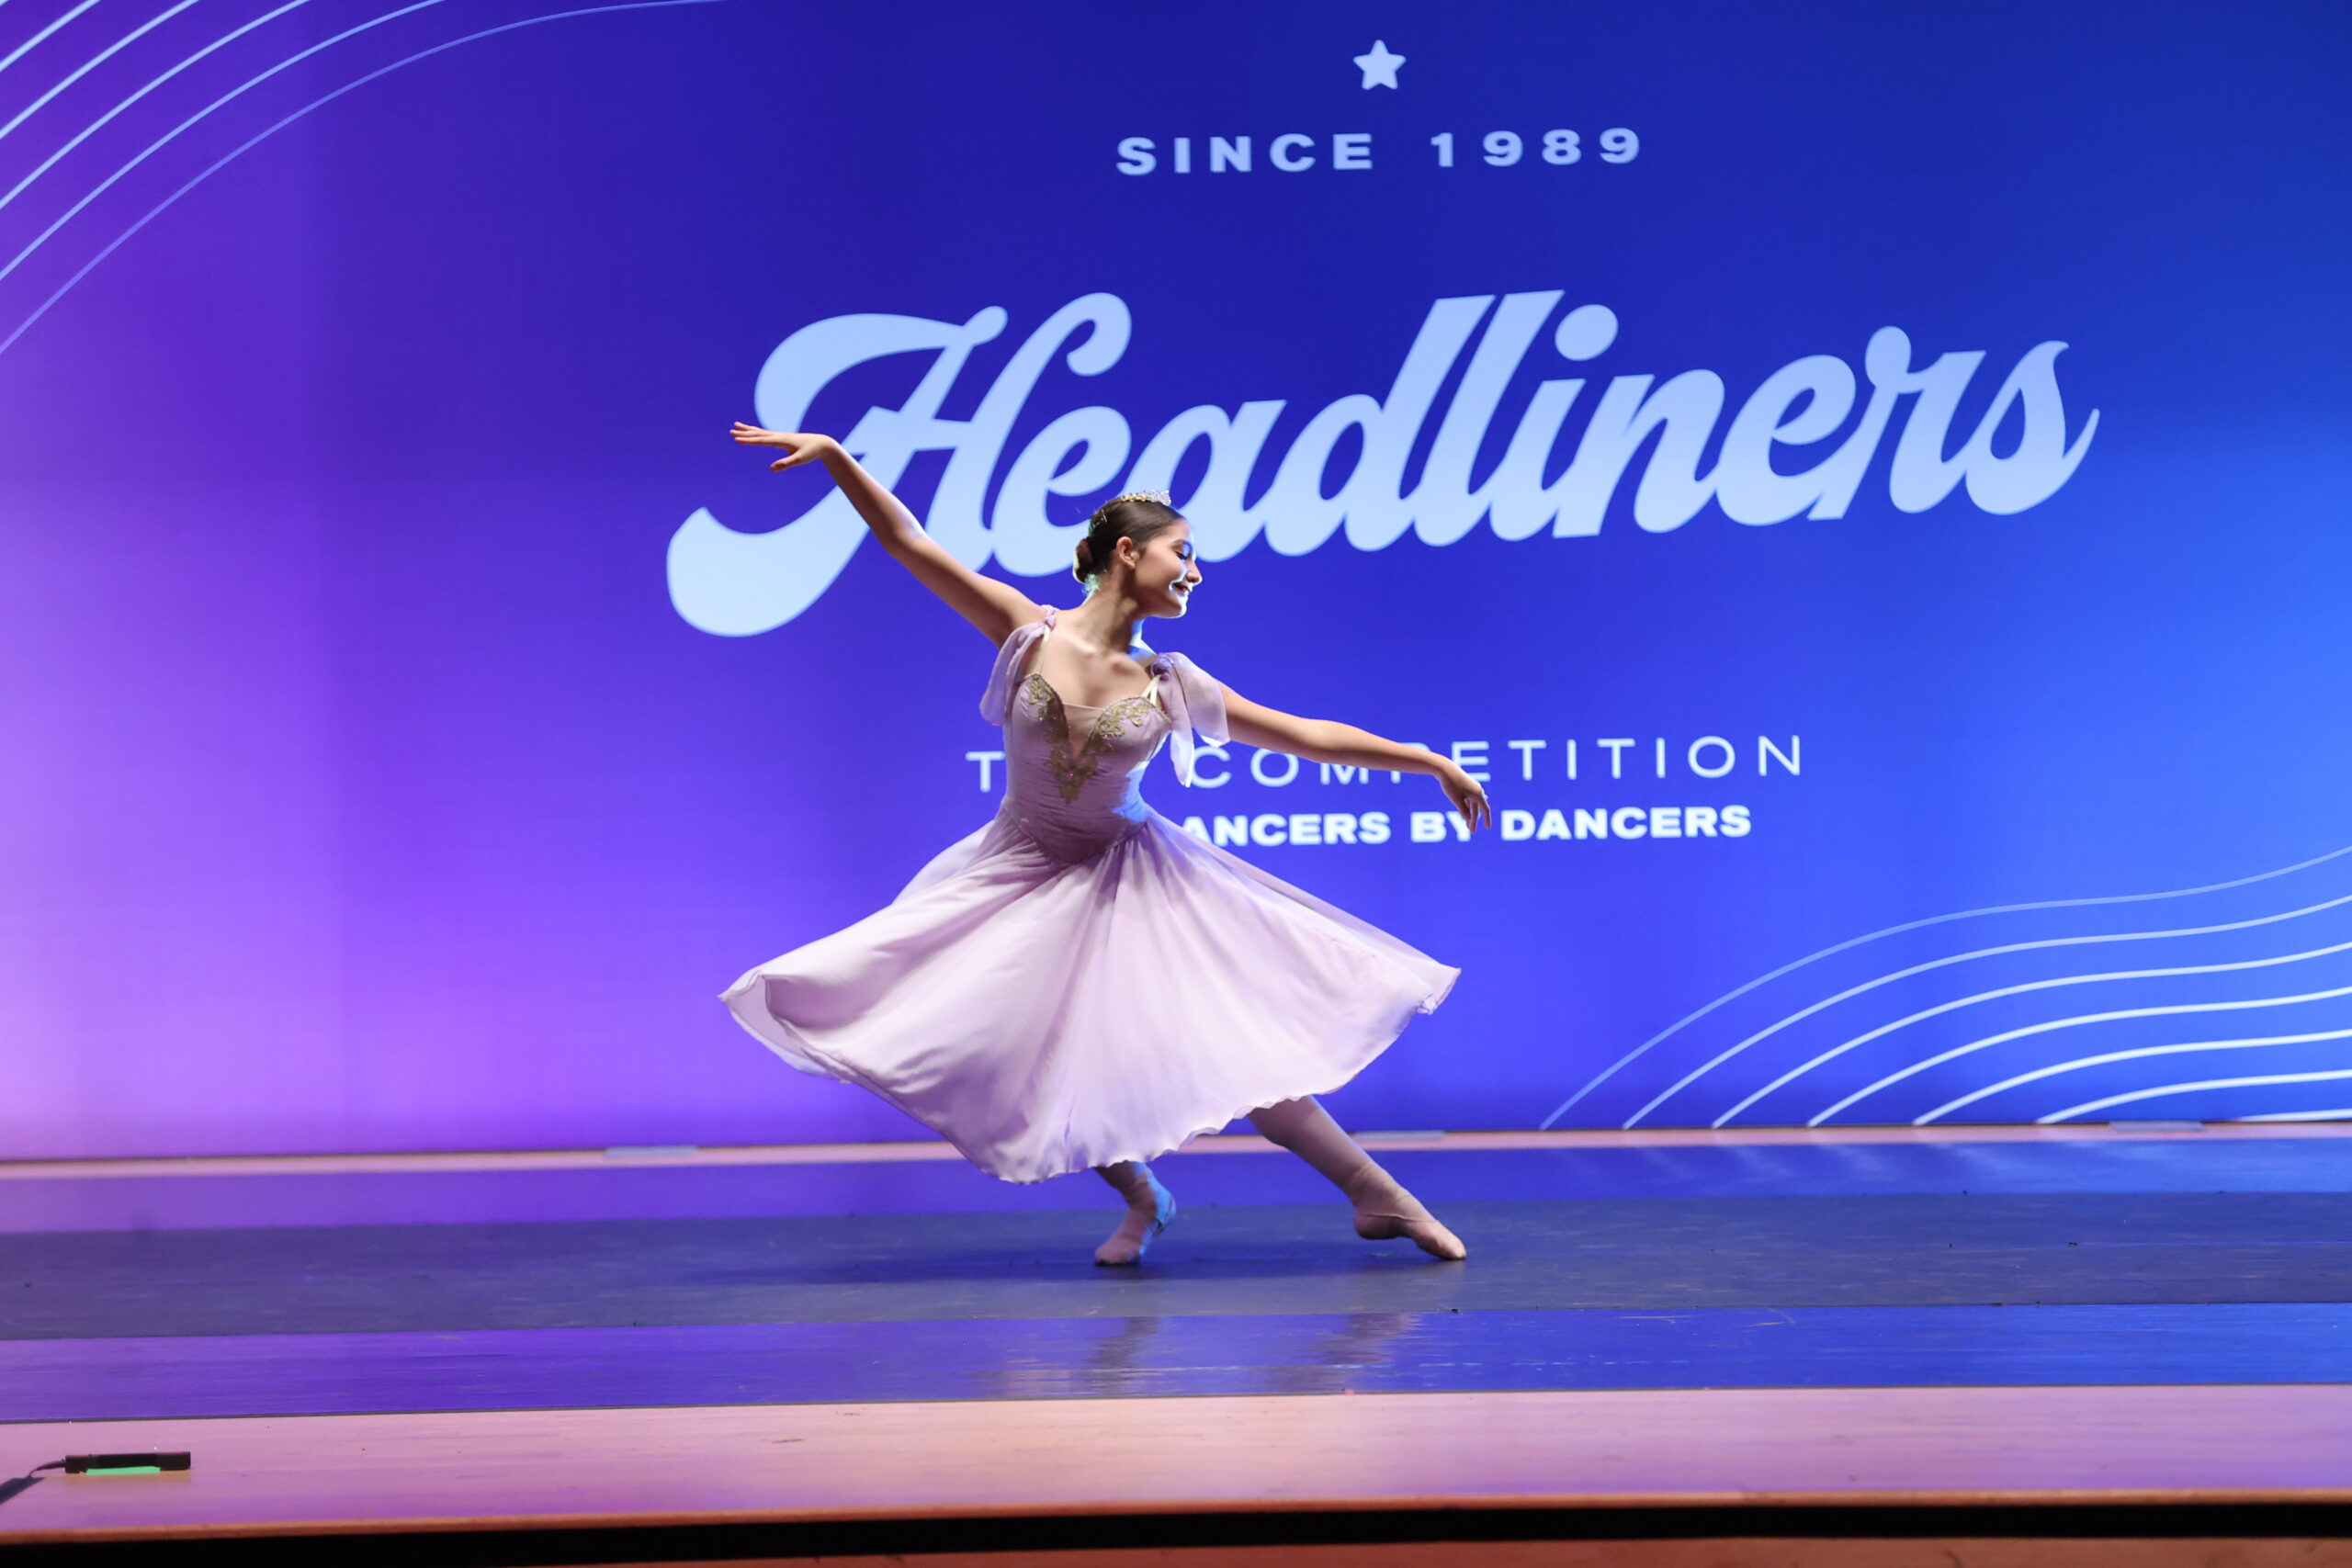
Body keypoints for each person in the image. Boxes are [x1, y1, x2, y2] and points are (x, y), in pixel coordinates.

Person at [721, 423, 1492, 1265]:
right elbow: (909, 543)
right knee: (1021, 1049)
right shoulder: (1026, 630)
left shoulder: (1170, 683)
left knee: (1233, 1048)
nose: (1196, 571)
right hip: (1018, 868)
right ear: (1127, 552)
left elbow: (1304, 734)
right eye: (1183, 553)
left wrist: (1427, 759)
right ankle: (1143, 1195)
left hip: (1131, 877)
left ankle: (1379, 1195)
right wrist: (838, 457)